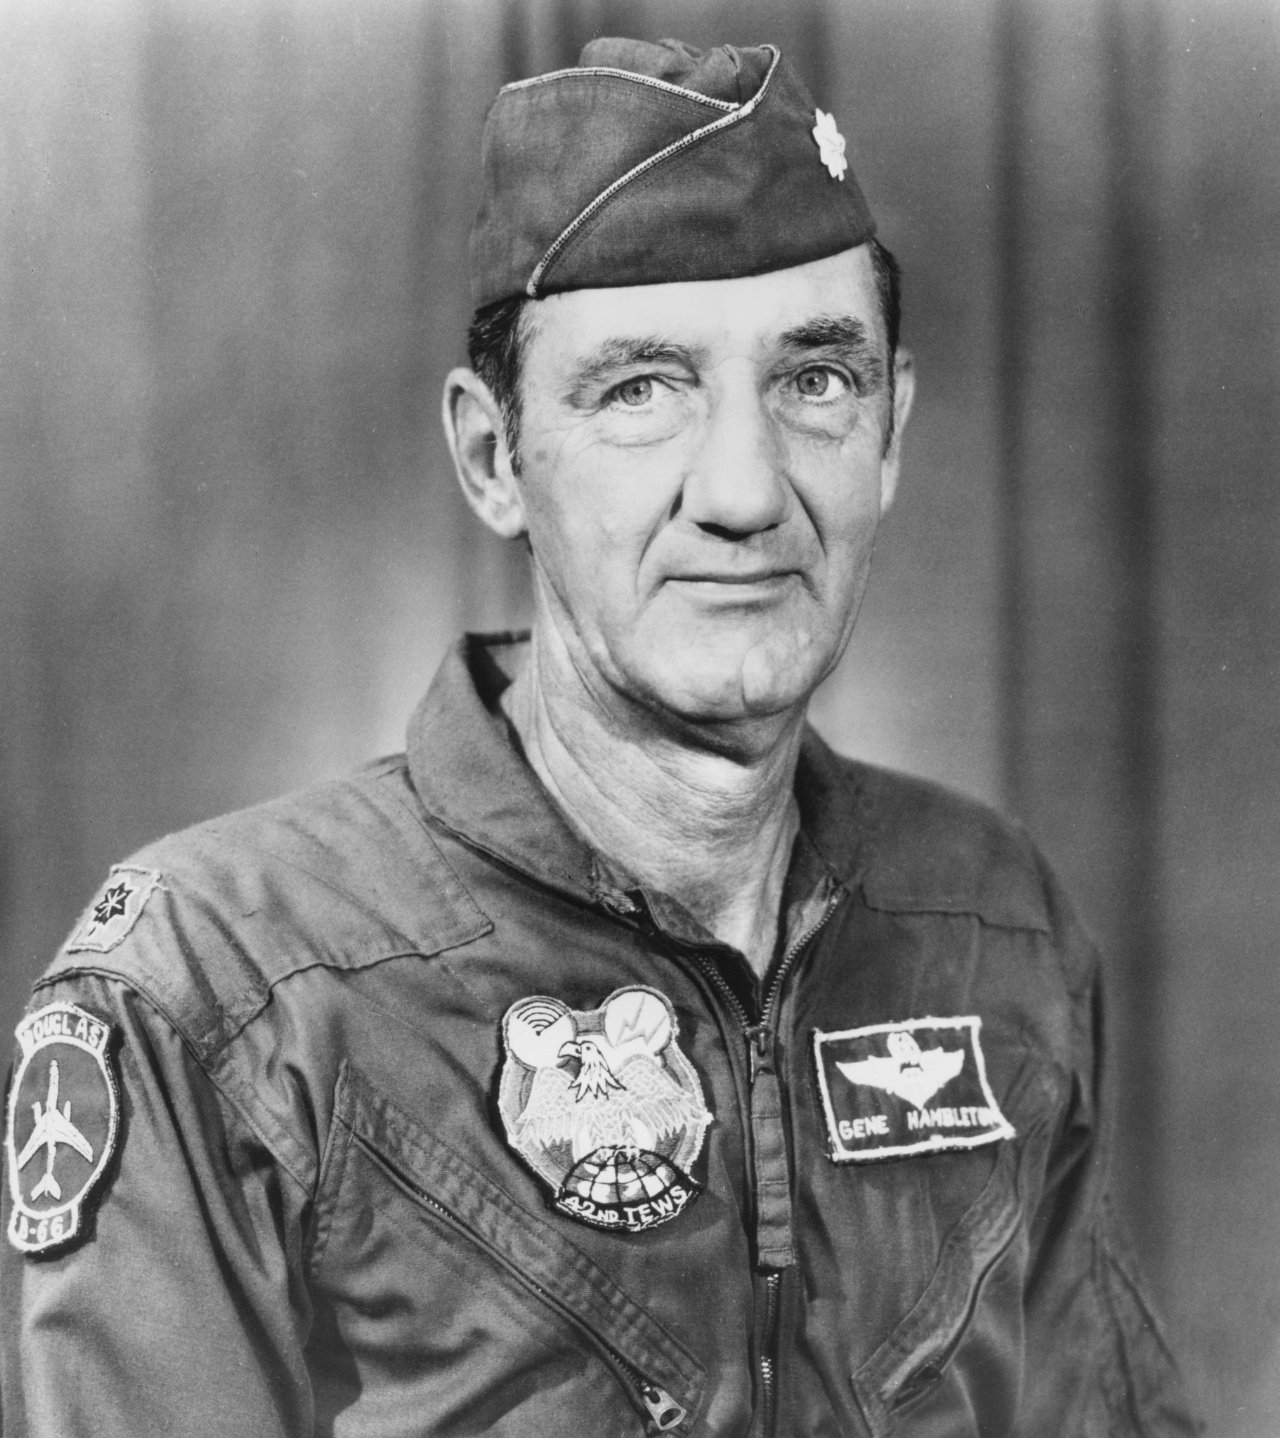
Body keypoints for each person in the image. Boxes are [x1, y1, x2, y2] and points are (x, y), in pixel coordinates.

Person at [1, 36, 1200, 1437]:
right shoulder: (214, 996)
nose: (745, 490)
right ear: (494, 458)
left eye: (817, 378)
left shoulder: (995, 928)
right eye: (642, 389)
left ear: (891, 435)